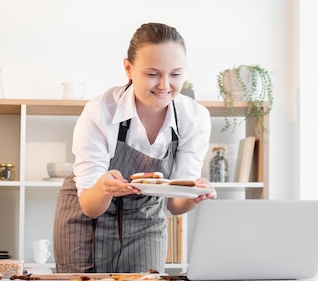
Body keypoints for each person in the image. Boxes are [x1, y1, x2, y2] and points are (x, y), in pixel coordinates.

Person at [53, 22, 216, 274]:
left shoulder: (194, 118)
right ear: (128, 68)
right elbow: (90, 204)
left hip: (145, 216)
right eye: (152, 74)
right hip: (88, 215)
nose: (164, 85)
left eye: (175, 74)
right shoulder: (100, 111)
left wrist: (195, 197)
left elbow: (175, 204)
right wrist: (105, 187)